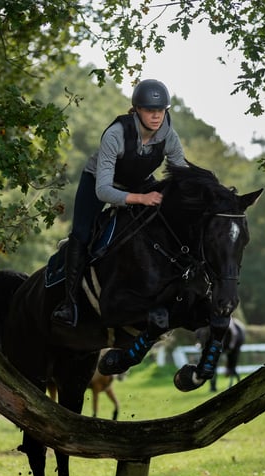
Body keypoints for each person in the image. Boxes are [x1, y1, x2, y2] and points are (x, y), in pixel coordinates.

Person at [51, 79, 189, 327]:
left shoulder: (169, 135)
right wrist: (141, 199)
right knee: (81, 233)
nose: (156, 116)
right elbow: (104, 190)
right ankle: (69, 304)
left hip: (138, 181)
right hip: (99, 182)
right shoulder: (116, 134)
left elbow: (182, 176)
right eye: (150, 111)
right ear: (136, 109)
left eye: (161, 111)